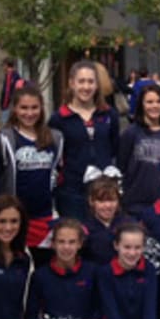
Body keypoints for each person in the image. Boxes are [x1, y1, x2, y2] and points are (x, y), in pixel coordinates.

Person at [0, 85, 63, 255]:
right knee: (17, 267)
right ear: (14, 109)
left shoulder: (55, 137)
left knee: (44, 267)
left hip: (43, 214)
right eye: (24, 108)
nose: (29, 113)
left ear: (41, 108)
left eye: (34, 107)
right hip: (14, 215)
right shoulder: (4, 138)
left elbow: (56, 171)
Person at [49, 60, 120, 220]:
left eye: (91, 82)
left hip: (103, 191)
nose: (86, 87)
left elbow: (114, 148)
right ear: (71, 83)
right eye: (81, 81)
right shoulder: (59, 118)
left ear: (97, 85)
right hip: (72, 191)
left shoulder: (109, 115)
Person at [97, 222, 160, 319]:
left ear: (144, 247)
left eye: (137, 247)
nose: (132, 253)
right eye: (127, 247)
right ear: (116, 245)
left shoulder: (149, 270)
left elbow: (150, 309)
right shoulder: (105, 273)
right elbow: (112, 313)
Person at [118, 83, 160, 217]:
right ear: (141, 105)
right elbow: (121, 165)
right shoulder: (131, 132)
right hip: (135, 203)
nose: (154, 106)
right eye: (149, 102)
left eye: (159, 102)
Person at [82, 176, 128, 266]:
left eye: (112, 200)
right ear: (91, 201)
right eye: (101, 201)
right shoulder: (84, 229)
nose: (107, 205)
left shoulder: (128, 224)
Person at [0, 59, 22, 124]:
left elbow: (8, 92)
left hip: (9, 106)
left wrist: (7, 105)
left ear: (6, 65)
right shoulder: (8, 75)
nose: (3, 68)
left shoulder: (13, 76)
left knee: (7, 124)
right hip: (6, 106)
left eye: (3, 65)